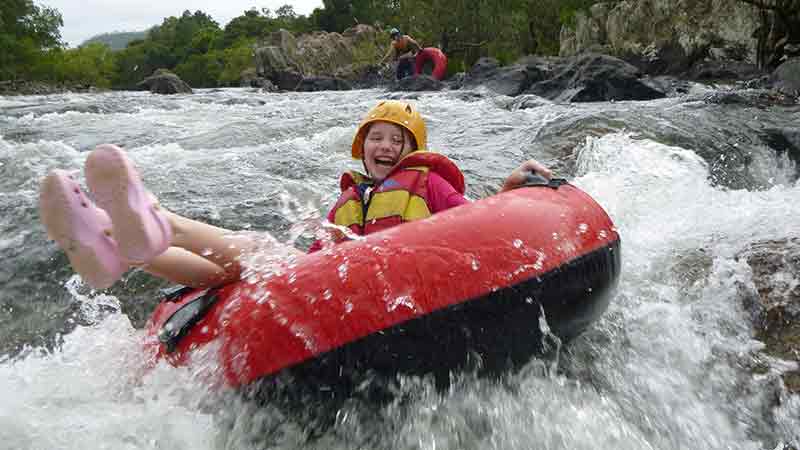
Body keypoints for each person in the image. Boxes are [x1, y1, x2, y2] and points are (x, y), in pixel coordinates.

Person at [38, 100, 551, 290]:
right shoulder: (347, 203)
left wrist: (508, 189)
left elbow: (477, 224)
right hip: (342, 283)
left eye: (398, 141)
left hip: (395, 281)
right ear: (361, 148)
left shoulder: (429, 183)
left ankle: (159, 221)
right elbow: (316, 262)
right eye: (377, 138)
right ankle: (117, 245)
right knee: (231, 274)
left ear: (412, 152)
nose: (387, 146)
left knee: (260, 252)